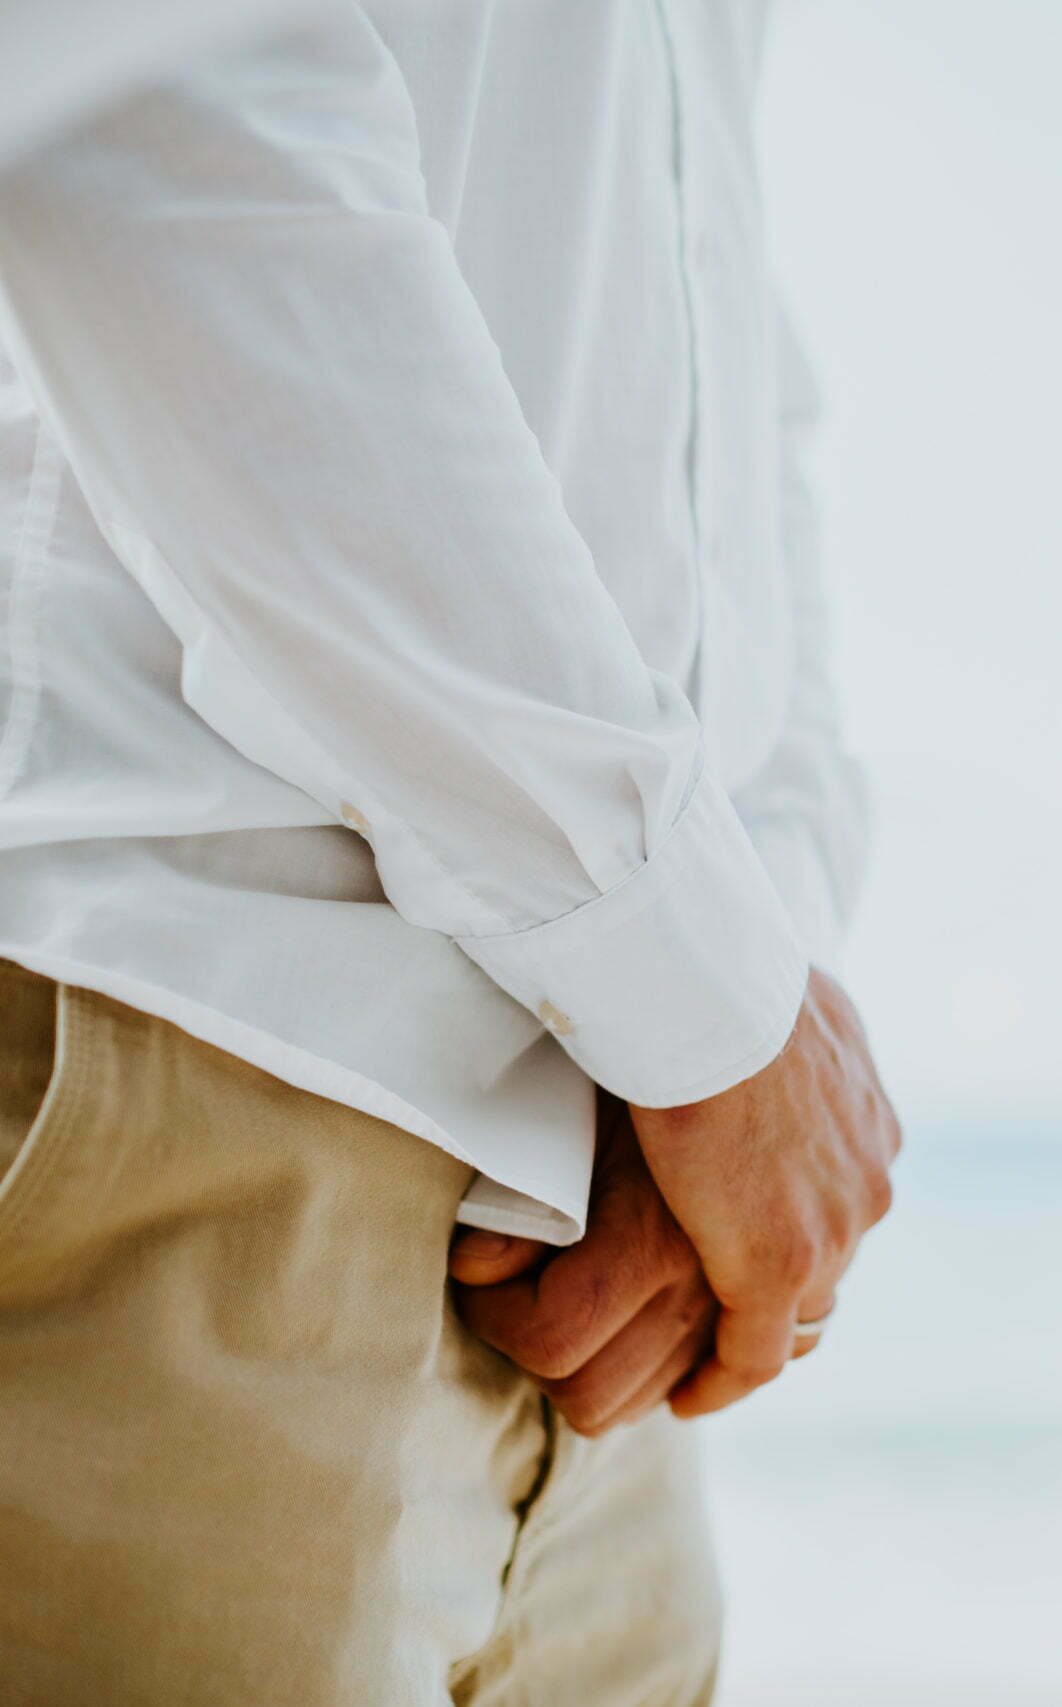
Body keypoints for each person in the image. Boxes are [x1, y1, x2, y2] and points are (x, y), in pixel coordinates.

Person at [0, 4, 898, 1703]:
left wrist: (734, 983)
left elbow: (720, 346)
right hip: (197, 1058)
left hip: (620, 1227)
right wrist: (704, 998)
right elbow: (155, 126)